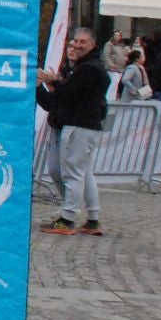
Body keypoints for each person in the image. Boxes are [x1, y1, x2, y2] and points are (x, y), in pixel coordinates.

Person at [37, 27, 109, 237]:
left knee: (74, 174)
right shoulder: (80, 70)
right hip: (72, 124)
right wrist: (46, 86)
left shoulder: (90, 69)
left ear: (93, 45)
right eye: (73, 42)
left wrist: (54, 82)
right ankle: (91, 218)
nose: (76, 46)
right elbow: (57, 101)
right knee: (79, 173)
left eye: (81, 42)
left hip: (78, 126)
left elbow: (69, 94)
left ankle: (68, 218)